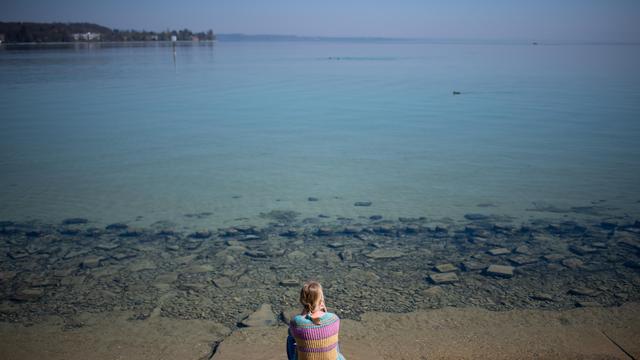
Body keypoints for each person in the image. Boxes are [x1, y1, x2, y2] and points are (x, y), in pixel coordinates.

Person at [287, 281, 346, 360]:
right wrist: (324, 310)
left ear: (302, 300)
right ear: (321, 300)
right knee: (334, 339)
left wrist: (305, 311)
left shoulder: (296, 322)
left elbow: (292, 333)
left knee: (291, 339)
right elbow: (322, 324)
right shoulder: (334, 319)